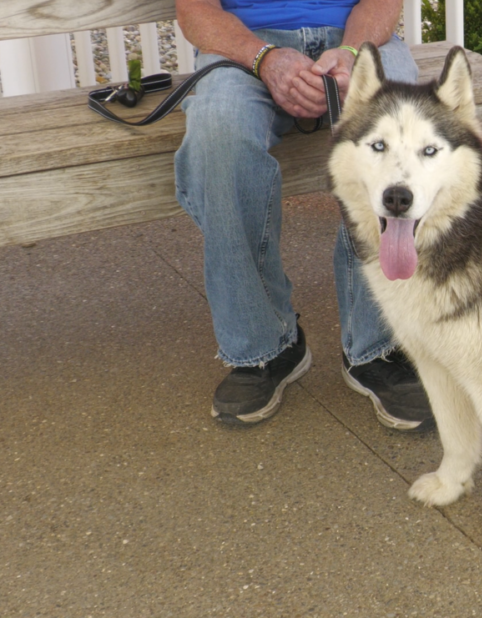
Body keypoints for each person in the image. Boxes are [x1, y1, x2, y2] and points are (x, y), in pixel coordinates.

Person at [174, 0, 434, 431]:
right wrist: (266, 59)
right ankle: (264, 348)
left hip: (356, 41)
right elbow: (195, 13)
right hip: (245, 50)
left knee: (399, 132)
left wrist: (353, 54)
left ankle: (379, 345)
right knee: (218, 137)